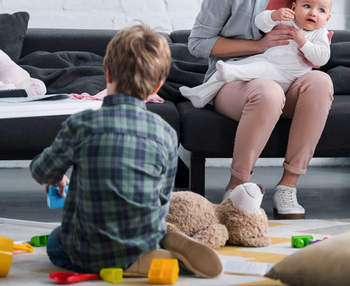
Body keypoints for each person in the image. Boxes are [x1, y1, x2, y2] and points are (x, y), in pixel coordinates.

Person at [187, 0, 335, 220]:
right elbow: (197, 43)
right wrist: (258, 45)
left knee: (321, 82)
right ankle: (236, 189)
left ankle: (288, 186)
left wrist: (315, 46)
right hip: (239, 81)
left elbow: (320, 41)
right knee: (267, 90)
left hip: (292, 79)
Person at [29, 24, 222, 277]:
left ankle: (122, 259)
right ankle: (153, 248)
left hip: (88, 249)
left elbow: (42, 171)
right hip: (142, 240)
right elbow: (161, 199)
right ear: (157, 87)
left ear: (107, 73)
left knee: (56, 243)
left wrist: (57, 176)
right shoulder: (165, 134)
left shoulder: (82, 125)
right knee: (151, 222)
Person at [180, 0, 332, 108]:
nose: (313, 13)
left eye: (321, 10)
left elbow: (322, 57)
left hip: (287, 74)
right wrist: (273, 16)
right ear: (294, 7)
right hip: (266, 60)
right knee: (230, 65)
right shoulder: (288, 19)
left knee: (245, 69)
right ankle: (200, 94)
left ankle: (231, 73)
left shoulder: (320, 34)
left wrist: (303, 43)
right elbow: (260, 23)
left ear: (327, 19)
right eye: (307, 6)